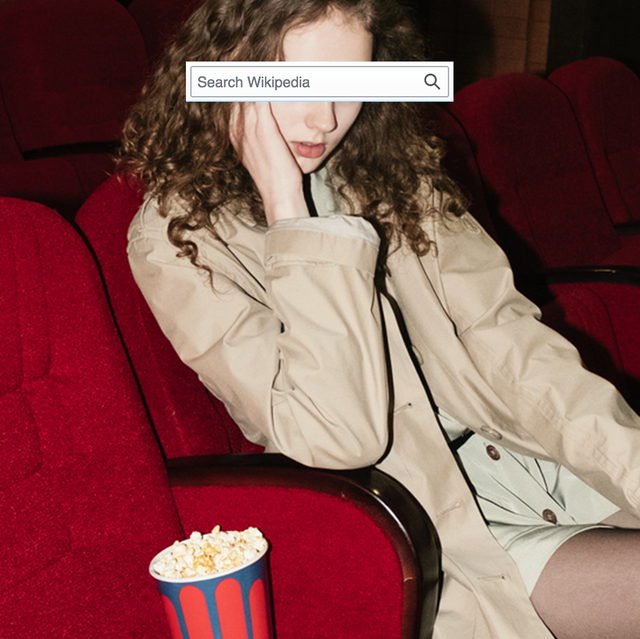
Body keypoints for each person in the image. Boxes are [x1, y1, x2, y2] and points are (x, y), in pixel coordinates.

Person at [120, 0, 640, 637]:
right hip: (417, 522)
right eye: (298, 83)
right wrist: (293, 215)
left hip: (521, 459)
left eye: (350, 83)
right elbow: (340, 437)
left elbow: (515, 351)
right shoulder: (178, 240)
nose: (326, 117)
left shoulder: (393, 177)